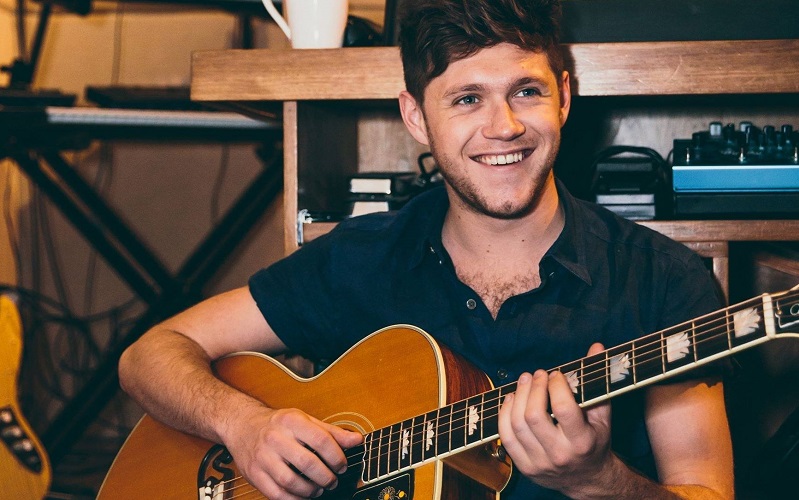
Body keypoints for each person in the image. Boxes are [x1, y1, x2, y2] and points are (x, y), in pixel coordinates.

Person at [118, 0, 734, 498]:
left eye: (527, 91)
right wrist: (244, 426)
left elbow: (708, 491)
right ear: (415, 117)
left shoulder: (664, 281)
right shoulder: (359, 259)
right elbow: (150, 355)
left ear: (564, 97)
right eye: (467, 99)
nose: (504, 127)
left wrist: (598, 483)